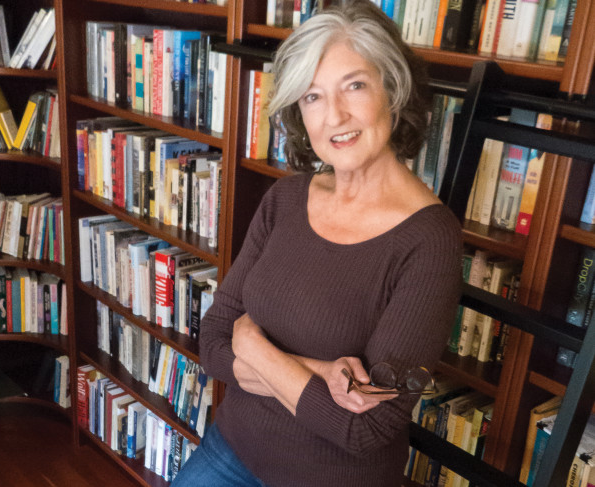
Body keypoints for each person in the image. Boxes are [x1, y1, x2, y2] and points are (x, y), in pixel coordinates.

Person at [171, 1, 462, 485]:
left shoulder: (430, 240)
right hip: (232, 450)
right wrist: (320, 371)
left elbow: (366, 423)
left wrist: (254, 345)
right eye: (312, 96)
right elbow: (214, 341)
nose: (335, 116)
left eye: (355, 85)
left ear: (391, 88)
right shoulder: (284, 199)